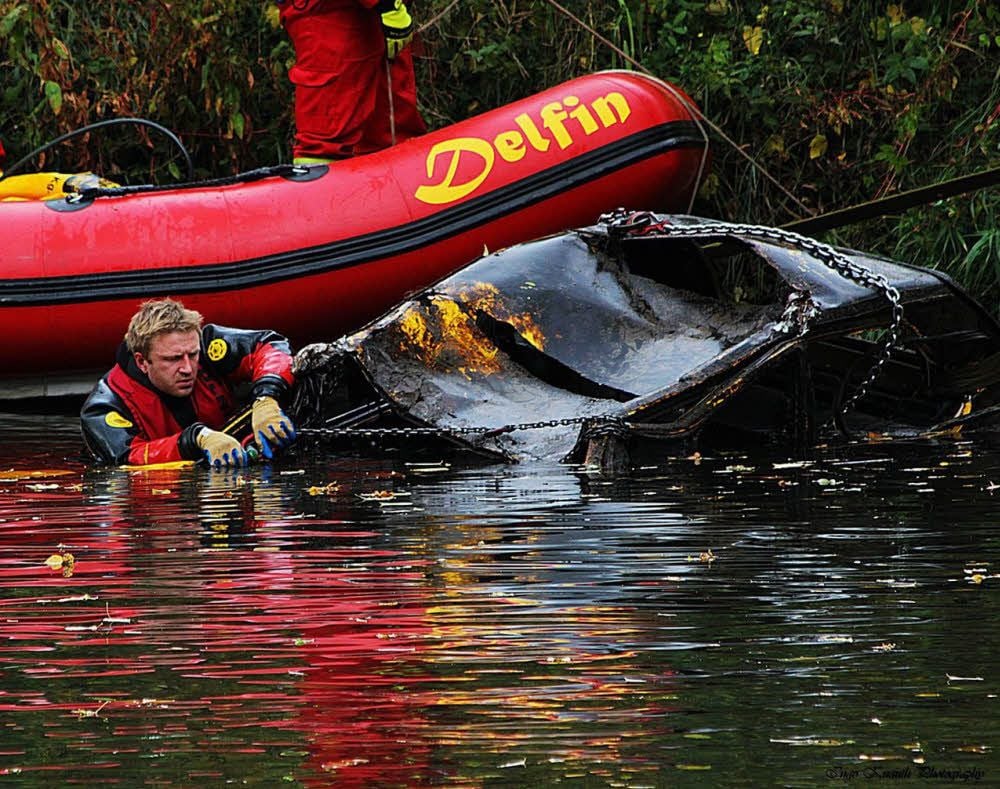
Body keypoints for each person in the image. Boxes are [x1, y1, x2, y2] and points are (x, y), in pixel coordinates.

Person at [81, 299, 297, 468]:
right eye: (173, 359)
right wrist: (195, 440)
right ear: (142, 361)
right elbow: (126, 458)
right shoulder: (104, 406)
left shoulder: (207, 344)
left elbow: (270, 346)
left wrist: (267, 399)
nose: (187, 368)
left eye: (192, 355)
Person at [278, 0, 426, 163]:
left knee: (391, 134)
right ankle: (320, 186)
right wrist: (388, 6)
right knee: (323, 145)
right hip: (333, 17)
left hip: (369, 16)